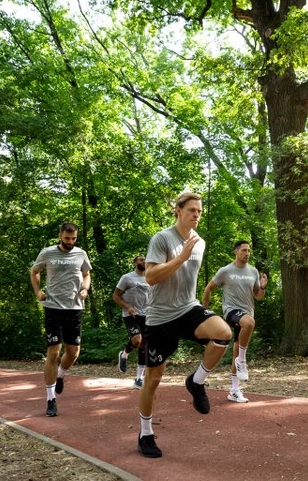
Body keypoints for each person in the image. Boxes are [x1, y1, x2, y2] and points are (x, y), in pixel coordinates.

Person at [136, 192, 232, 458]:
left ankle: (196, 381)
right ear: (177, 211)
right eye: (192, 210)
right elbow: (151, 278)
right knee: (153, 379)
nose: (197, 215)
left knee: (223, 333)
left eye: (199, 211)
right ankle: (145, 434)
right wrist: (179, 258)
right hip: (160, 317)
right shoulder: (162, 238)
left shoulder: (199, 241)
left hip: (187, 308)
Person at [30, 222, 92, 417]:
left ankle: (60, 375)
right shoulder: (47, 253)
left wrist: (85, 289)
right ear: (60, 236)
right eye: (67, 238)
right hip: (53, 307)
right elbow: (34, 271)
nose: (70, 242)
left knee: (73, 353)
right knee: (53, 352)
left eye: (73, 239)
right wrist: (37, 291)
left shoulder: (81, 253)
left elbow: (86, 274)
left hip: (74, 308)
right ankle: (50, 399)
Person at [202, 240, 267, 403]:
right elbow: (209, 288)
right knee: (250, 323)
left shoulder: (253, 272)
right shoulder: (226, 271)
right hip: (231, 311)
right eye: (244, 250)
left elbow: (258, 297)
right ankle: (242, 362)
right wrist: (204, 310)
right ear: (236, 252)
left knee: (237, 351)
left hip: (247, 313)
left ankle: (234, 390)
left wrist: (263, 287)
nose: (247, 253)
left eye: (249, 251)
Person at [112, 255, 149, 389]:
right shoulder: (127, 278)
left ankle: (139, 379)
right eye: (140, 259)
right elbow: (115, 296)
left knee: (144, 345)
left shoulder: (151, 277)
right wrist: (128, 307)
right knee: (137, 341)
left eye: (145, 259)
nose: (143, 261)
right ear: (135, 263)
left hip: (147, 315)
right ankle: (124, 354)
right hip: (130, 314)